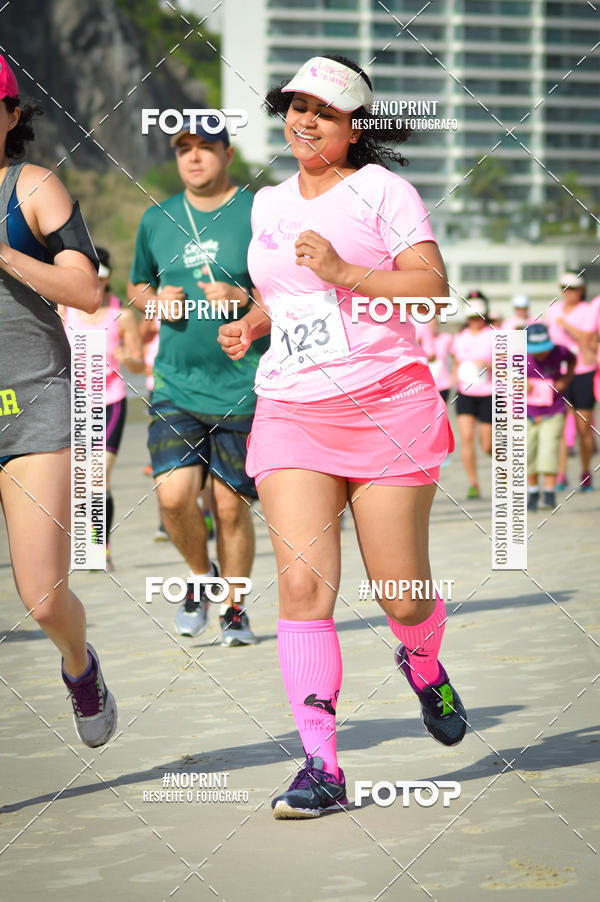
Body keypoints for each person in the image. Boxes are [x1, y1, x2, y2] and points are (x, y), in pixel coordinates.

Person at [218, 54, 467, 820]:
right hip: (291, 409)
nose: (304, 121)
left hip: (387, 407)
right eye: (296, 107)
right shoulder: (267, 202)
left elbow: (431, 287)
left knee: (401, 593)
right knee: (302, 586)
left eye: (322, 112)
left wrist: (344, 271)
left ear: (354, 126)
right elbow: (285, 293)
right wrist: (253, 322)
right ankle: (320, 766)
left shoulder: (383, 190)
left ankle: (425, 667)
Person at [0, 55, 117, 746]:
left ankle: (80, 668)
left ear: (12, 115)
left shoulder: (32, 188)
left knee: (43, 599)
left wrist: (5, 254)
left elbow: (86, 291)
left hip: (32, 406)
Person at [128, 116, 269, 646]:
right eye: (183, 148)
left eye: (205, 147)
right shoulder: (157, 218)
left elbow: (285, 292)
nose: (193, 157)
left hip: (242, 385)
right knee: (172, 498)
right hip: (175, 385)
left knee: (231, 508)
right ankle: (201, 576)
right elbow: (136, 285)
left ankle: (234, 608)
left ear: (228, 154)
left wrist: (242, 298)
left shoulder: (256, 212)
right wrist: (154, 300)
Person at [60, 246, 144, 570]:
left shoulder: (122, 314)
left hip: (111, 402)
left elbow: (138, 362)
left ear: (107, 277)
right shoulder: (64, 310)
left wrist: (128, 358)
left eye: (102, 272)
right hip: (77, 403)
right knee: (83, 480)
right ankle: (91, 542)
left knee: (98, 475)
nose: (97, 278)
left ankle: (100, 547)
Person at [546, 272, 599, 491]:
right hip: (558, 373)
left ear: (582, 290)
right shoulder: (553, 310)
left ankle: (585, 471)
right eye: (565, 288)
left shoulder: (588, 309)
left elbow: (588, 339)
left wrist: (566, 325)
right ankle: (560, 474)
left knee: (583, 427)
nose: (569, 292)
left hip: (583, 371)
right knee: (559, 425)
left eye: (574, 288)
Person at [526, 324, 575, 511]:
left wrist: (565, 380)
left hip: (553, 410)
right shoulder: (518, 356)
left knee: (549, 450)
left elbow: (572, 360)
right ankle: (532, 492)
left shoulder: (559, 351)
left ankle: (549, 493)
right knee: (527, 452)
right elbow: (503, 374)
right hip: (526, 412)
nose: (540, 355)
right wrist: (519, 382)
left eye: (543, 350)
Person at [450, 292, 494, 499]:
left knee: (487, 444)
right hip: (465, 393)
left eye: (478, 317)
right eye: (471, 317)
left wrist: (487, 364)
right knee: (466, 439)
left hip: (489, 394)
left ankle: (505, 470)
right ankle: (473, 484)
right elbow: (456, 363)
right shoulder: (460, 337)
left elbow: (507, 362)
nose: (475, 321)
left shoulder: (493, 334)